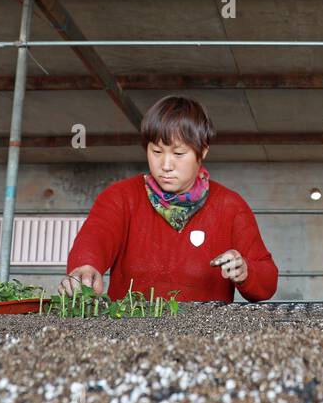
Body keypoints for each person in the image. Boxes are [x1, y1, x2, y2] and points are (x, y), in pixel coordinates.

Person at [60, 96, 277, 302]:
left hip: (206, 337)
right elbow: (96, 238)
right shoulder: (120, 197)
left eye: (179, 154)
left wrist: (245, 271)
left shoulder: (230, 206)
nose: (165, 165)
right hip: (130, 333)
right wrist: (85, 268)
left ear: (202, 152)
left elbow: (267, 282)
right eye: (156, 151)